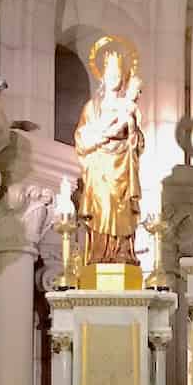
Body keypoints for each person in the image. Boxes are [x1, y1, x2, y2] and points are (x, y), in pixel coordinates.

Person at [73, 46, 145, 265]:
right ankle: (101, 255)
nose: (114, 78)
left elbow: (139, 143)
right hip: (100, 168)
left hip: (123, 166)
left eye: (117, 75)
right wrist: (100, 138)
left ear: (123, 78)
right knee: (101, 211)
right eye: (110, 74)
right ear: (103, 76)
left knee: (122, 211)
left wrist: (132, 132)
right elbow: (81, 138)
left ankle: (122, 252)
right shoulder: (92, 108)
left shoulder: (130, 107)